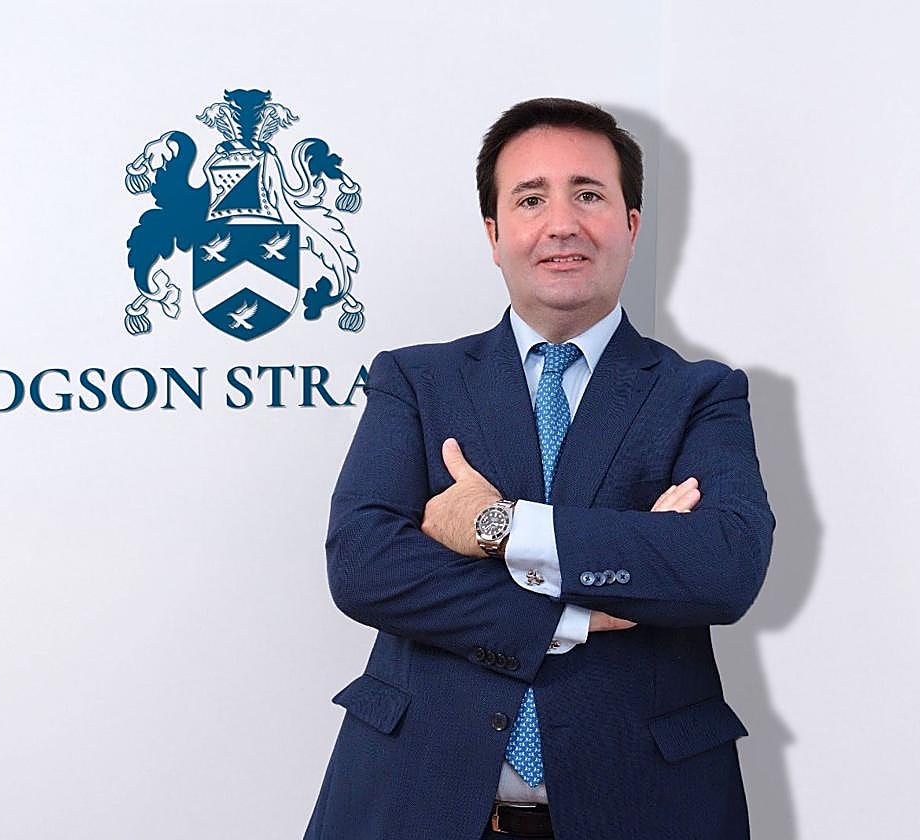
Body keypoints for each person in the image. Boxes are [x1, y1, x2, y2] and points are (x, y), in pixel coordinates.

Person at [303, 98, 775, 840]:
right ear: (494, 234)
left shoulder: (701, 394)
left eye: (588, 195)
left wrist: (500, 527)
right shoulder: (415, 382)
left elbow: (723, 565)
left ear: (631, 226)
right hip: (415, 802)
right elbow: (365, 565)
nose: (562, 224)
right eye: (530, 199)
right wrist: (582, 605)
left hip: (647, 808)